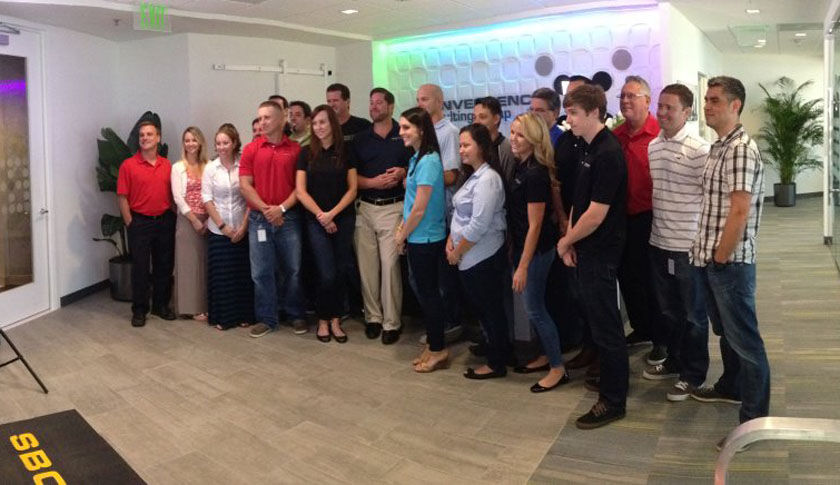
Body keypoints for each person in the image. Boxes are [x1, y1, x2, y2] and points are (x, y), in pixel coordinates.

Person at [689, 76, 769, 450]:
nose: (707, 106)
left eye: (715, 100)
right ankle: (731, 386)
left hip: (730, 263)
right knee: (728, 334)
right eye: (706, 99)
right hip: (712, 259)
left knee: (746, 342)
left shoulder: (739, 150)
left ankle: (753, 421)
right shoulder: (719, 146)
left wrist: (720, 258)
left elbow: (739, 210)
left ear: (735, 106)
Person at [556, 84, 628, 429]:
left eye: (574, 113)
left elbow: (597, 214)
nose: (568, 119)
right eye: (568, 113)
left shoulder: (608, 152)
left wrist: (565, 242)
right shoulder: (585, 147)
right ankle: (611, 384)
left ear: (595, 112)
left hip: (601, 251)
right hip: (585, 247)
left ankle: (613, 401)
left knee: (607, 328)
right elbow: (578, 201)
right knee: (598, 326)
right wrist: (571, 240)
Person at [643, 84, 711, 403]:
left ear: (686, 112)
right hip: (659, 242)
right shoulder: (653, 146)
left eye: (669, 107)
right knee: (669, 312)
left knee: (694, 315)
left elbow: (711, 199)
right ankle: (674, 361)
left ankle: (693, 375)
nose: (662, 112)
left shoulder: (700, 149)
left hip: (688, 247)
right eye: (660, 106)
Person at [507, 112, 567, 393]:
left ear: (533, 138)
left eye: (520, 134)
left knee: (535, 309)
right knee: (537, 308)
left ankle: (557, 368)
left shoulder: (535, 174)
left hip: (537, 251)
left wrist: (522, 266)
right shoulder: (521, 166)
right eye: (512, 132)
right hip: (524, 248)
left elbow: (536, 225)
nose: (514, 139)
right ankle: (546, 355)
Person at [448, 123, 510, 379]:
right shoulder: (473, 176)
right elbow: (460, 215)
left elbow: (478, 224)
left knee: (491, 310)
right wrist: (451, 242)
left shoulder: (488, 179)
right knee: (483, 309)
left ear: (482, 147)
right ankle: (491, 348)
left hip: (482, 255)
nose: (461, 150)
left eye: (466, 145)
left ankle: (497, 363)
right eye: (460, 145)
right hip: (469, 256)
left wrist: (457, 251)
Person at [239, 100, 306, 338]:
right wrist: (268, 210)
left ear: (281, 119)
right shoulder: (251, 149)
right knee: (261, 272)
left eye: (267, 117)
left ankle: (296, 314)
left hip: (289, 219)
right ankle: (267, 318)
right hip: (259, 219)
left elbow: (300, 188)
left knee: (293, 269)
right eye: (260, 118)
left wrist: (281, 209)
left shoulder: (296, 150)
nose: (262, 122)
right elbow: (245, 186)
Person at [612, 75, 667, 365]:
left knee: (652, 283)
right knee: (627, 278)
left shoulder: (660, 134)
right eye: (622, 96)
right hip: (622, 220)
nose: (625, 101)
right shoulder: (616, 136)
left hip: (651, 218)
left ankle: (661, 339)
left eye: (631, 96)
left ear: (647, 100)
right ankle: (641, 328)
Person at [352, 88, 410, 344]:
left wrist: (403, 172)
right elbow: (351, 178)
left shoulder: (404, 134)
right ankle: (373, 318)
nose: (374, 107)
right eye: (371, 103)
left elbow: (416, 166)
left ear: (391, 106)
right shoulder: (360, 139)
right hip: (365, 208)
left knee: (390, 266)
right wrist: (373, 182)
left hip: (393, 208)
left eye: (379, 103)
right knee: (367, 269)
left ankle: (391, 322)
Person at [295, 105, 357, 343]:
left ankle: (335, 320)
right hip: (315, 220)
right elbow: (300, 191)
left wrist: (333, 214)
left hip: (343, 218)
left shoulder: (346, 151)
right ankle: (323, 319)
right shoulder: (305, 153)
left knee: (340, 270)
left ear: (332, 123)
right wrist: (322, 216)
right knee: (325, 272)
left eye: (323, 122)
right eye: (315, 123)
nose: (318, 127)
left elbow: (352, 189)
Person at [394, 107, 448, 372]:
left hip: (426, 238)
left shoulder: (429, 161)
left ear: (421, 130)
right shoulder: (417, 158)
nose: (401, 132)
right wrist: (403, 228)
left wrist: (402, 234)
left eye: (406, 127)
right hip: (417, 236)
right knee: (425, 294)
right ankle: (434, 344)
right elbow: (412, 202)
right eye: (401, 127)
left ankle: (438, 349)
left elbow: (420, 208)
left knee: (429, 295)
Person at [117, 120, 176, 327]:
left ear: (158, 138)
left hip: (164, 221)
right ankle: (140, 310)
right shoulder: (128, 165)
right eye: (142, 135)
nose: (145, 138)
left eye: (149, 134)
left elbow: (173, 195)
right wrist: (130, 223)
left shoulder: (167, 165)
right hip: (140, 223)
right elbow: (122, 197)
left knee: (164, 266)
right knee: (140, 269)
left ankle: (160, 306)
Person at [417, 83, 463, 343]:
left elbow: (452, 175)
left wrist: (419, 178)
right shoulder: (422, 133)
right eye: (418, 99)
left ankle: (450, 324)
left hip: (444, 213)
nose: (420, 104)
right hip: (426, 215)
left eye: (425, 99)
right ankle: (437, 323)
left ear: (439, 101)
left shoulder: (450, 132)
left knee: (443, 277)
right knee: (424, 278)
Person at [202, 123, 254, 330]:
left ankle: (243, 315)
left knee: (241, 275)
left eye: (225, 143)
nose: (221, 147)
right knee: (222, 276)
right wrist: (223, 226)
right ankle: (224, 317)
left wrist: (243, 226)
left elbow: (250, 197)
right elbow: (207, 200)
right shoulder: (210, 168)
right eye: (218, 143)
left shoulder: (244, 165)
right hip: (218, 230)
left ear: (234, 143)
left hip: (242, 228)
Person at [171, 127, 210, 321]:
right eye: (187, 140)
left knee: (203, 264)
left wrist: (209, 219)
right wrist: (194, 220)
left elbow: (212, 193)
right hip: (188, 220)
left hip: (208, 219)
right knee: (188, 263)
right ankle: (189, 308)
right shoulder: (178, 167)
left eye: (194, 140)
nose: (190, 144)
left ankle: (204, 305)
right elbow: (178, 197)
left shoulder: (208, 166)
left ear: (200, 142)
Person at [474, 96, 515, 184]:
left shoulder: (506, 148)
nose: (476, 122)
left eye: (482, 117)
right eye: (475, 117)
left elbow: (507, 184)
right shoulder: (474, 147)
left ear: (496, 119)